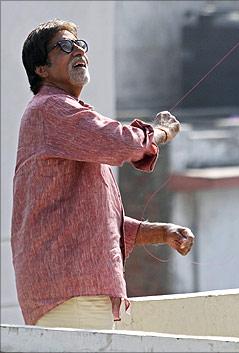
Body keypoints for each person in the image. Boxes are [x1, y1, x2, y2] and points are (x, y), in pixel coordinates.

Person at [11, 19, 195, 330]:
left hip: (73, 292)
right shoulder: (51, 108)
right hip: (70, 292)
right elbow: (121, 142)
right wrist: (161, 132)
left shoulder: (61, 114)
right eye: (65, 46)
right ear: (41, 69)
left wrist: (160, 233)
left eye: (81, 45)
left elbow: (94, 222)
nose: (78, 51)